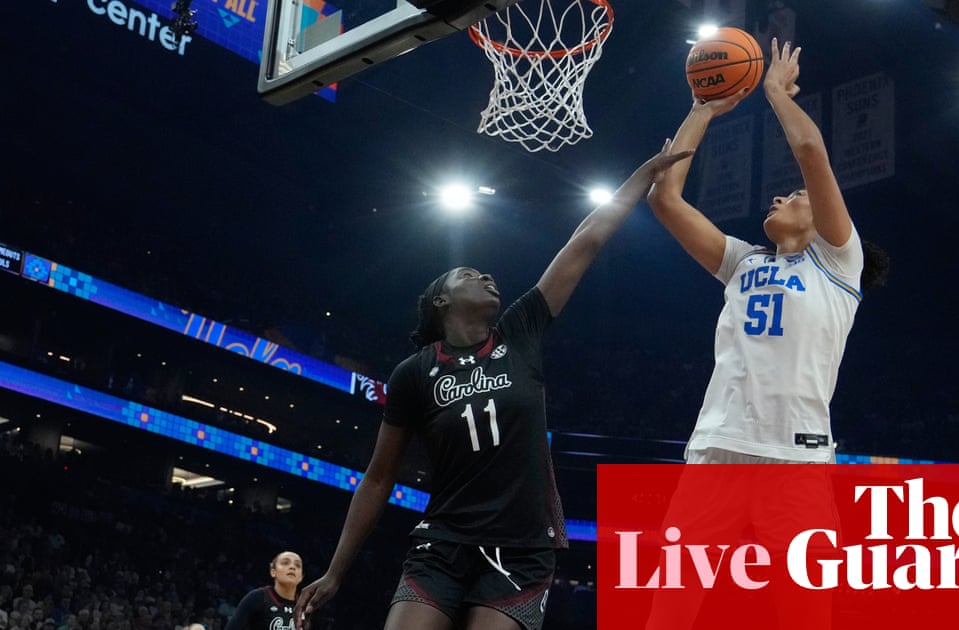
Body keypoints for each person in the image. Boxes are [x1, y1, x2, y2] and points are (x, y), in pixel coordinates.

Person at [294, 141, 693, 630]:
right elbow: (378, 478)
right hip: (443, 541)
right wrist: (336, 571)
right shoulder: (415, 372)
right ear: (440, 301)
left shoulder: (520, 331)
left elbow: (584, 241)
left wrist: (643, 173)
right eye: (469, 273)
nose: (486, 275)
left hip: (522, 547)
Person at [647, 38, 885, 466]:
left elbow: (811, 153)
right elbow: (664, 197)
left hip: (797, 453)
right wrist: (701, 111)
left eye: (795, 194)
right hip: (718, 443)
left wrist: (774, 91)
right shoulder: (744, 261)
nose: (779, 197)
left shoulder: (837, 263)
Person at [226, 551, 303, 630]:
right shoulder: (257, 598)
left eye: (297, 565)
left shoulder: (306, 606)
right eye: (285, 563)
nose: (292, 567)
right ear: (273, 572)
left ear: (301, 577)